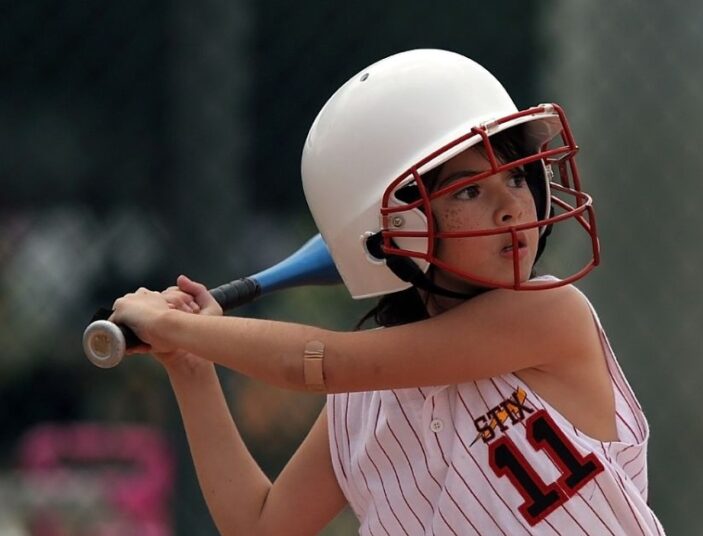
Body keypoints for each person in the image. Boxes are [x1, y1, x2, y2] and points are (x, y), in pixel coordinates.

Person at [109, 49, 665, 535]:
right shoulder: (361, 405)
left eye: (517, 177)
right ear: (389, 231)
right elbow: (260, 523)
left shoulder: (547, 314)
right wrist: (190, 365)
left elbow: (320, 364)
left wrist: (182, 326)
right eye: (469, 190)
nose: (511, 207)